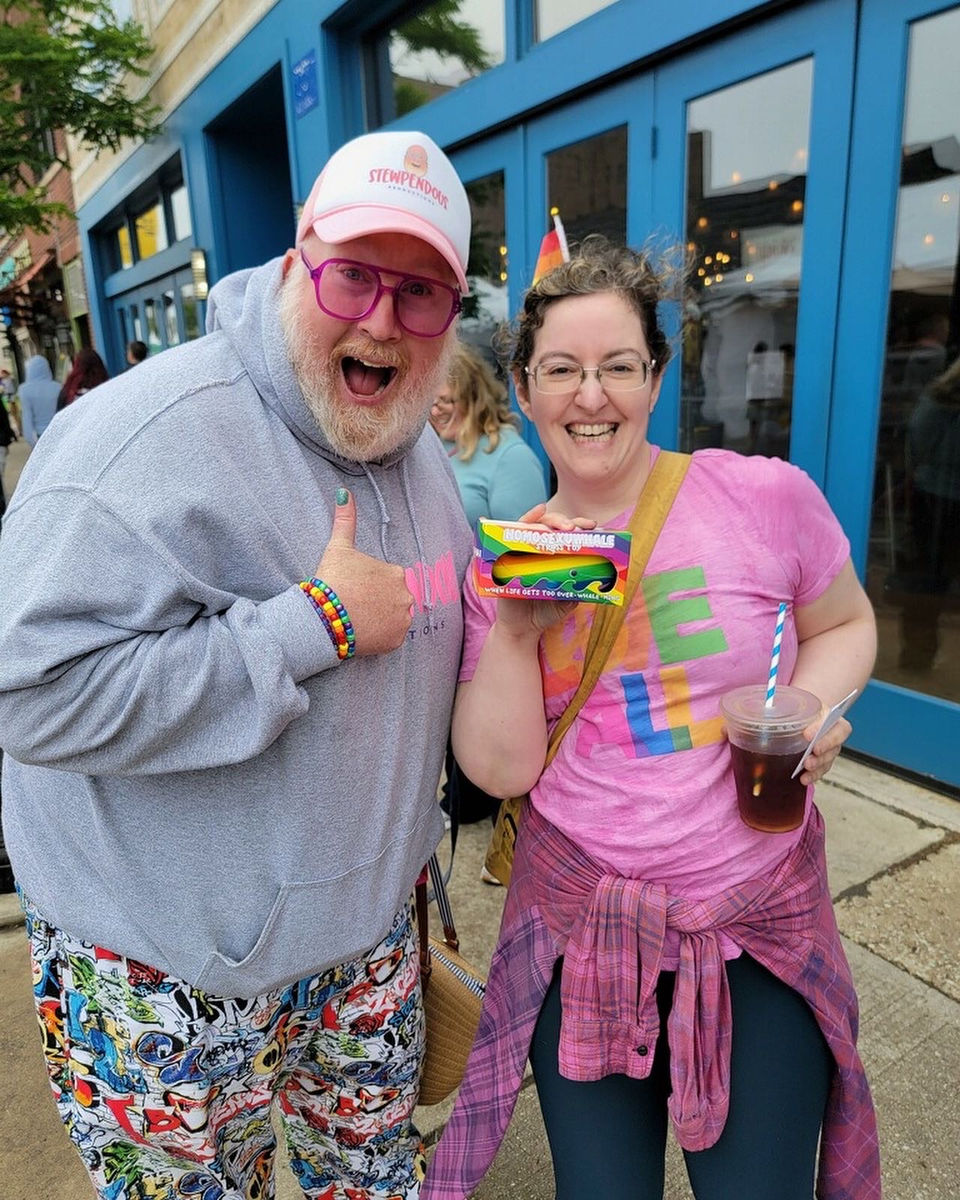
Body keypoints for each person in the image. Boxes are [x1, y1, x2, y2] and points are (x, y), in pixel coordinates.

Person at [0, 129, 474, 1200]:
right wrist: (310, 624)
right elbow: (29, 694)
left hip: (363, 962)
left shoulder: (430, 460)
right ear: (302, 255)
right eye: (355, 275)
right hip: (163, 979)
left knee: (374, 1183)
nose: (382, 322)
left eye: (422, 294)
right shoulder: (136, 440)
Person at [424, 236, 881, 1200]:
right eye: (562, 370)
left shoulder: (762, 498)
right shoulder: (508, 560)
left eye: (618, 368)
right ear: (524, 385)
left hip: (754, 917)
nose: (591, 397)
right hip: (581, 926)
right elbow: (501, 771)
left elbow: (842, 622)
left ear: (655, 376)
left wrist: (812, 710)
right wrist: (515, 629)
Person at [430, 341, 547, 832]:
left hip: (492, 619)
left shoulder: (509, 456)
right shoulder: (437, 448)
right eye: (429, 399)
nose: (434, 408)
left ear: (473, 392)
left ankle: (499, 817)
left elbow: (526, 554)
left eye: (445, 397)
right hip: (441, 612)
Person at [429, 341, 547, 529]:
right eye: (430, 403)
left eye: (445, 401)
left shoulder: (511, 456)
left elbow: (525, 546)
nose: (435, 412)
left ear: (473, 397)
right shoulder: (429, 446)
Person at [17, 354, 60, 445]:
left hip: (40, 436)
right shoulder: (58, 387)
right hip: (59, 432)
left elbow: (27, 418)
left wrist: (31, 442)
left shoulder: (24, 390)